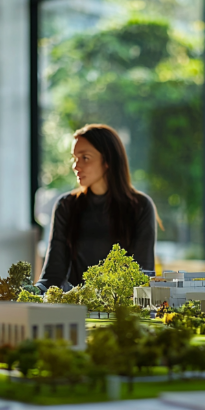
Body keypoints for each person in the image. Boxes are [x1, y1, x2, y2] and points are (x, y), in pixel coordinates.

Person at [38, 124, 158, 291]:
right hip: (76, 309)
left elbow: (142, 276)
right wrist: (29, 294)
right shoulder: (66, 206)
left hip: (120, 310)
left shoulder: (140, 207)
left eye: (85, 158)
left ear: (108, 160)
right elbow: (52, 277)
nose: (75, 166)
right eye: (74, 158)